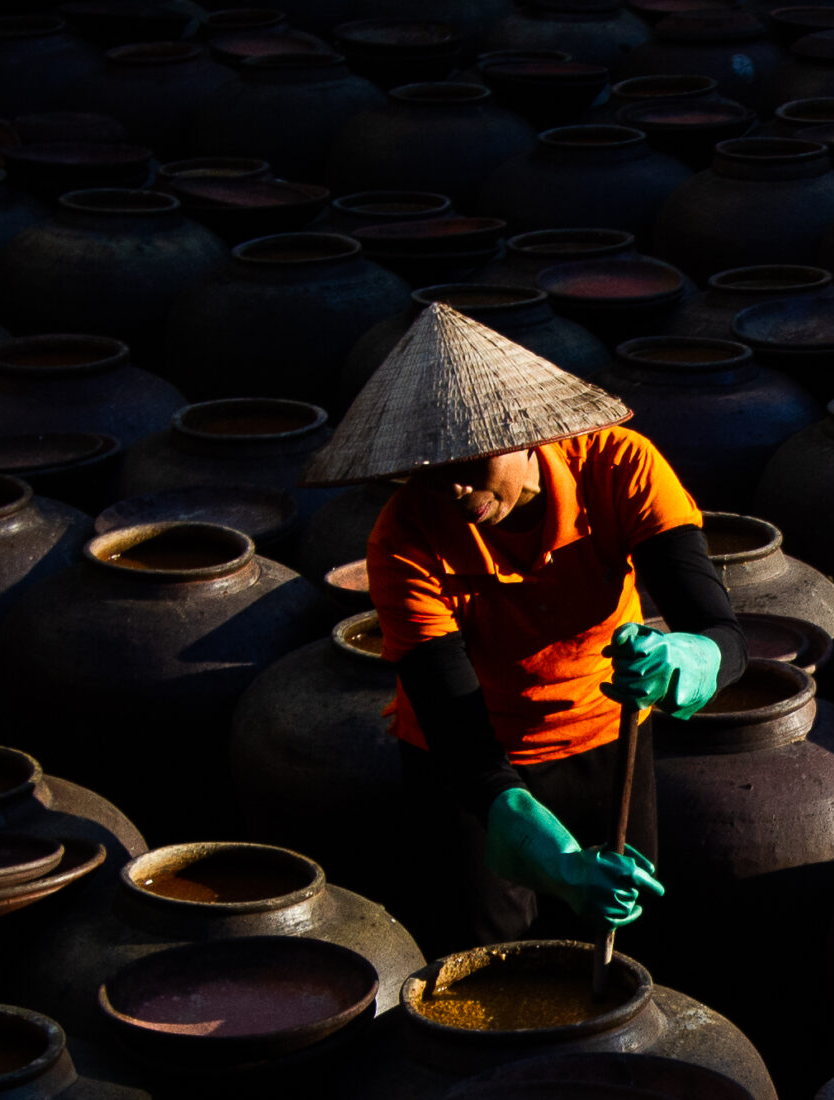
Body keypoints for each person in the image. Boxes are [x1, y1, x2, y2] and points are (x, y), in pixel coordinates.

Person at [305, 301, 746, 953]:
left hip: (608, 742)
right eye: (429, 472)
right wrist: (545, 850)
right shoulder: (404, 538)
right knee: (485, 961)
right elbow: (461, 737)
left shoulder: (620, 467)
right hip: (470, 771)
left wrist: (690, 657)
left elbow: (723, 633)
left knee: (616, 944)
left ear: (521, 430)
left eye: (467, 464)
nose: (453, 491)